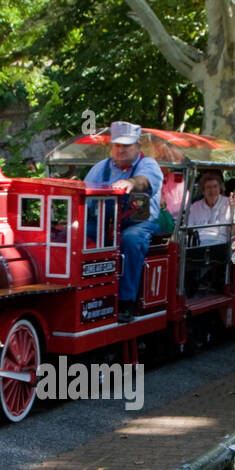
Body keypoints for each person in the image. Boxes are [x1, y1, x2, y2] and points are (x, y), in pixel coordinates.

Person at [84, 121, 163, 322]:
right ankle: (87, 293)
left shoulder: (148, 165)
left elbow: (144, 182)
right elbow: (82, 192)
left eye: (127, 146)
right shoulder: (99, 168)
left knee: (130, 240)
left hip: (139, 223)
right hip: (105, 223)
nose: (121, 150)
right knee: (78, 234)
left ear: (138, 146)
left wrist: (130, 183)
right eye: (117, 145)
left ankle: (126, 302)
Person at [185, 170, 233, 295]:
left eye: (215, 187)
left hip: (220, 243)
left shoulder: (229, 203)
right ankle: (190, 284)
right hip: (199, 243)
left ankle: (216, 281)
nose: (212, 191)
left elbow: (234, 228)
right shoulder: (195, 206)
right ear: (203, 191)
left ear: (220, 188)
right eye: (208, 187)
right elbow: (189, 228)